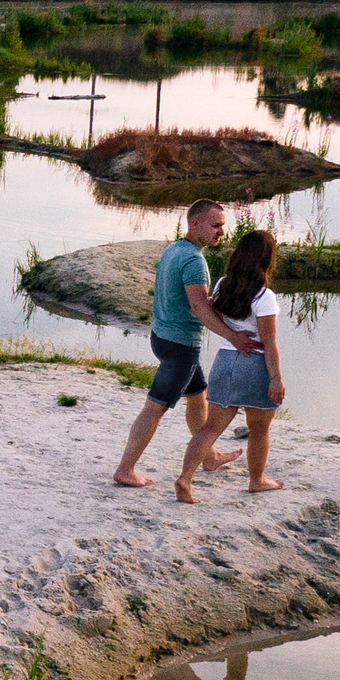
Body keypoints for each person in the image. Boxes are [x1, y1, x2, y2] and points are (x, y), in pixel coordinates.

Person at [111, 199, 261, 489]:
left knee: (197, 395)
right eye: (216, 225)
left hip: (162, 337)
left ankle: (210, 456)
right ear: (195, 223)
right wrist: (234, 337)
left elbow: (195, 303)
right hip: (180, 347)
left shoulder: (174, 249)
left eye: (222, 226)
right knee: (154, 408)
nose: (221, 232)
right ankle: (125, 469)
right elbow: (200, 309)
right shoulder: (194, 261)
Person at [174, 229, 287, 504]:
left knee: (210, 428)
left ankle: (185, 478)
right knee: (259, 430)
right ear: (267, 260)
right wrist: (276, 379)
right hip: (255, 365)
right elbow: (269, 343)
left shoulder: (223, 284)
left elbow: (217, 317)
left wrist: (234, 337)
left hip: (224, 361)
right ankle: (257, 480)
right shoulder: (264, 297)